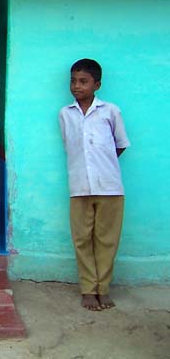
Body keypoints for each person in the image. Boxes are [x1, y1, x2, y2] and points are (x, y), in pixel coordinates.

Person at [59, 59, 130, 311]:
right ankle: (88, 289)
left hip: (109, 187)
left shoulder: (110, 111)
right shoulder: (65, 114)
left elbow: (120, 144)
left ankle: (103, 289)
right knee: (81, 240)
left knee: (107, 240)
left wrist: (102, 165)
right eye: (73, 81)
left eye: (83, 81)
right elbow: (71, 147)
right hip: (79, 186)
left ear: (96, 85)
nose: (77, 86)